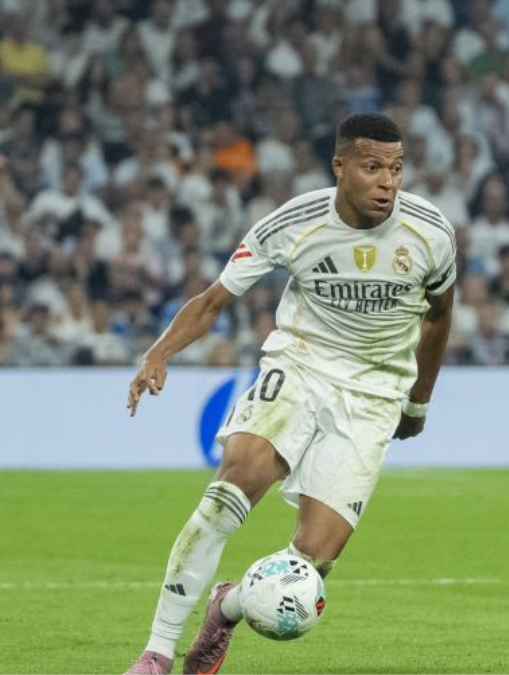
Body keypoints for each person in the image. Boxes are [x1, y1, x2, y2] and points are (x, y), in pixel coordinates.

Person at [124, 112, 457, 675]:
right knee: (231, 486)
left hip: (374, 394)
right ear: (340, 167)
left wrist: (418, 401)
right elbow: (212, 300)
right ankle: (156, 652)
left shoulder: (431, 232)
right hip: (300, 367)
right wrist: (158, 353)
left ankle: (226, 607)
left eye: (397, 169)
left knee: (313, 560)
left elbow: (440, 317)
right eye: (373, 167)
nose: (388, 182)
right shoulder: (293, 222)